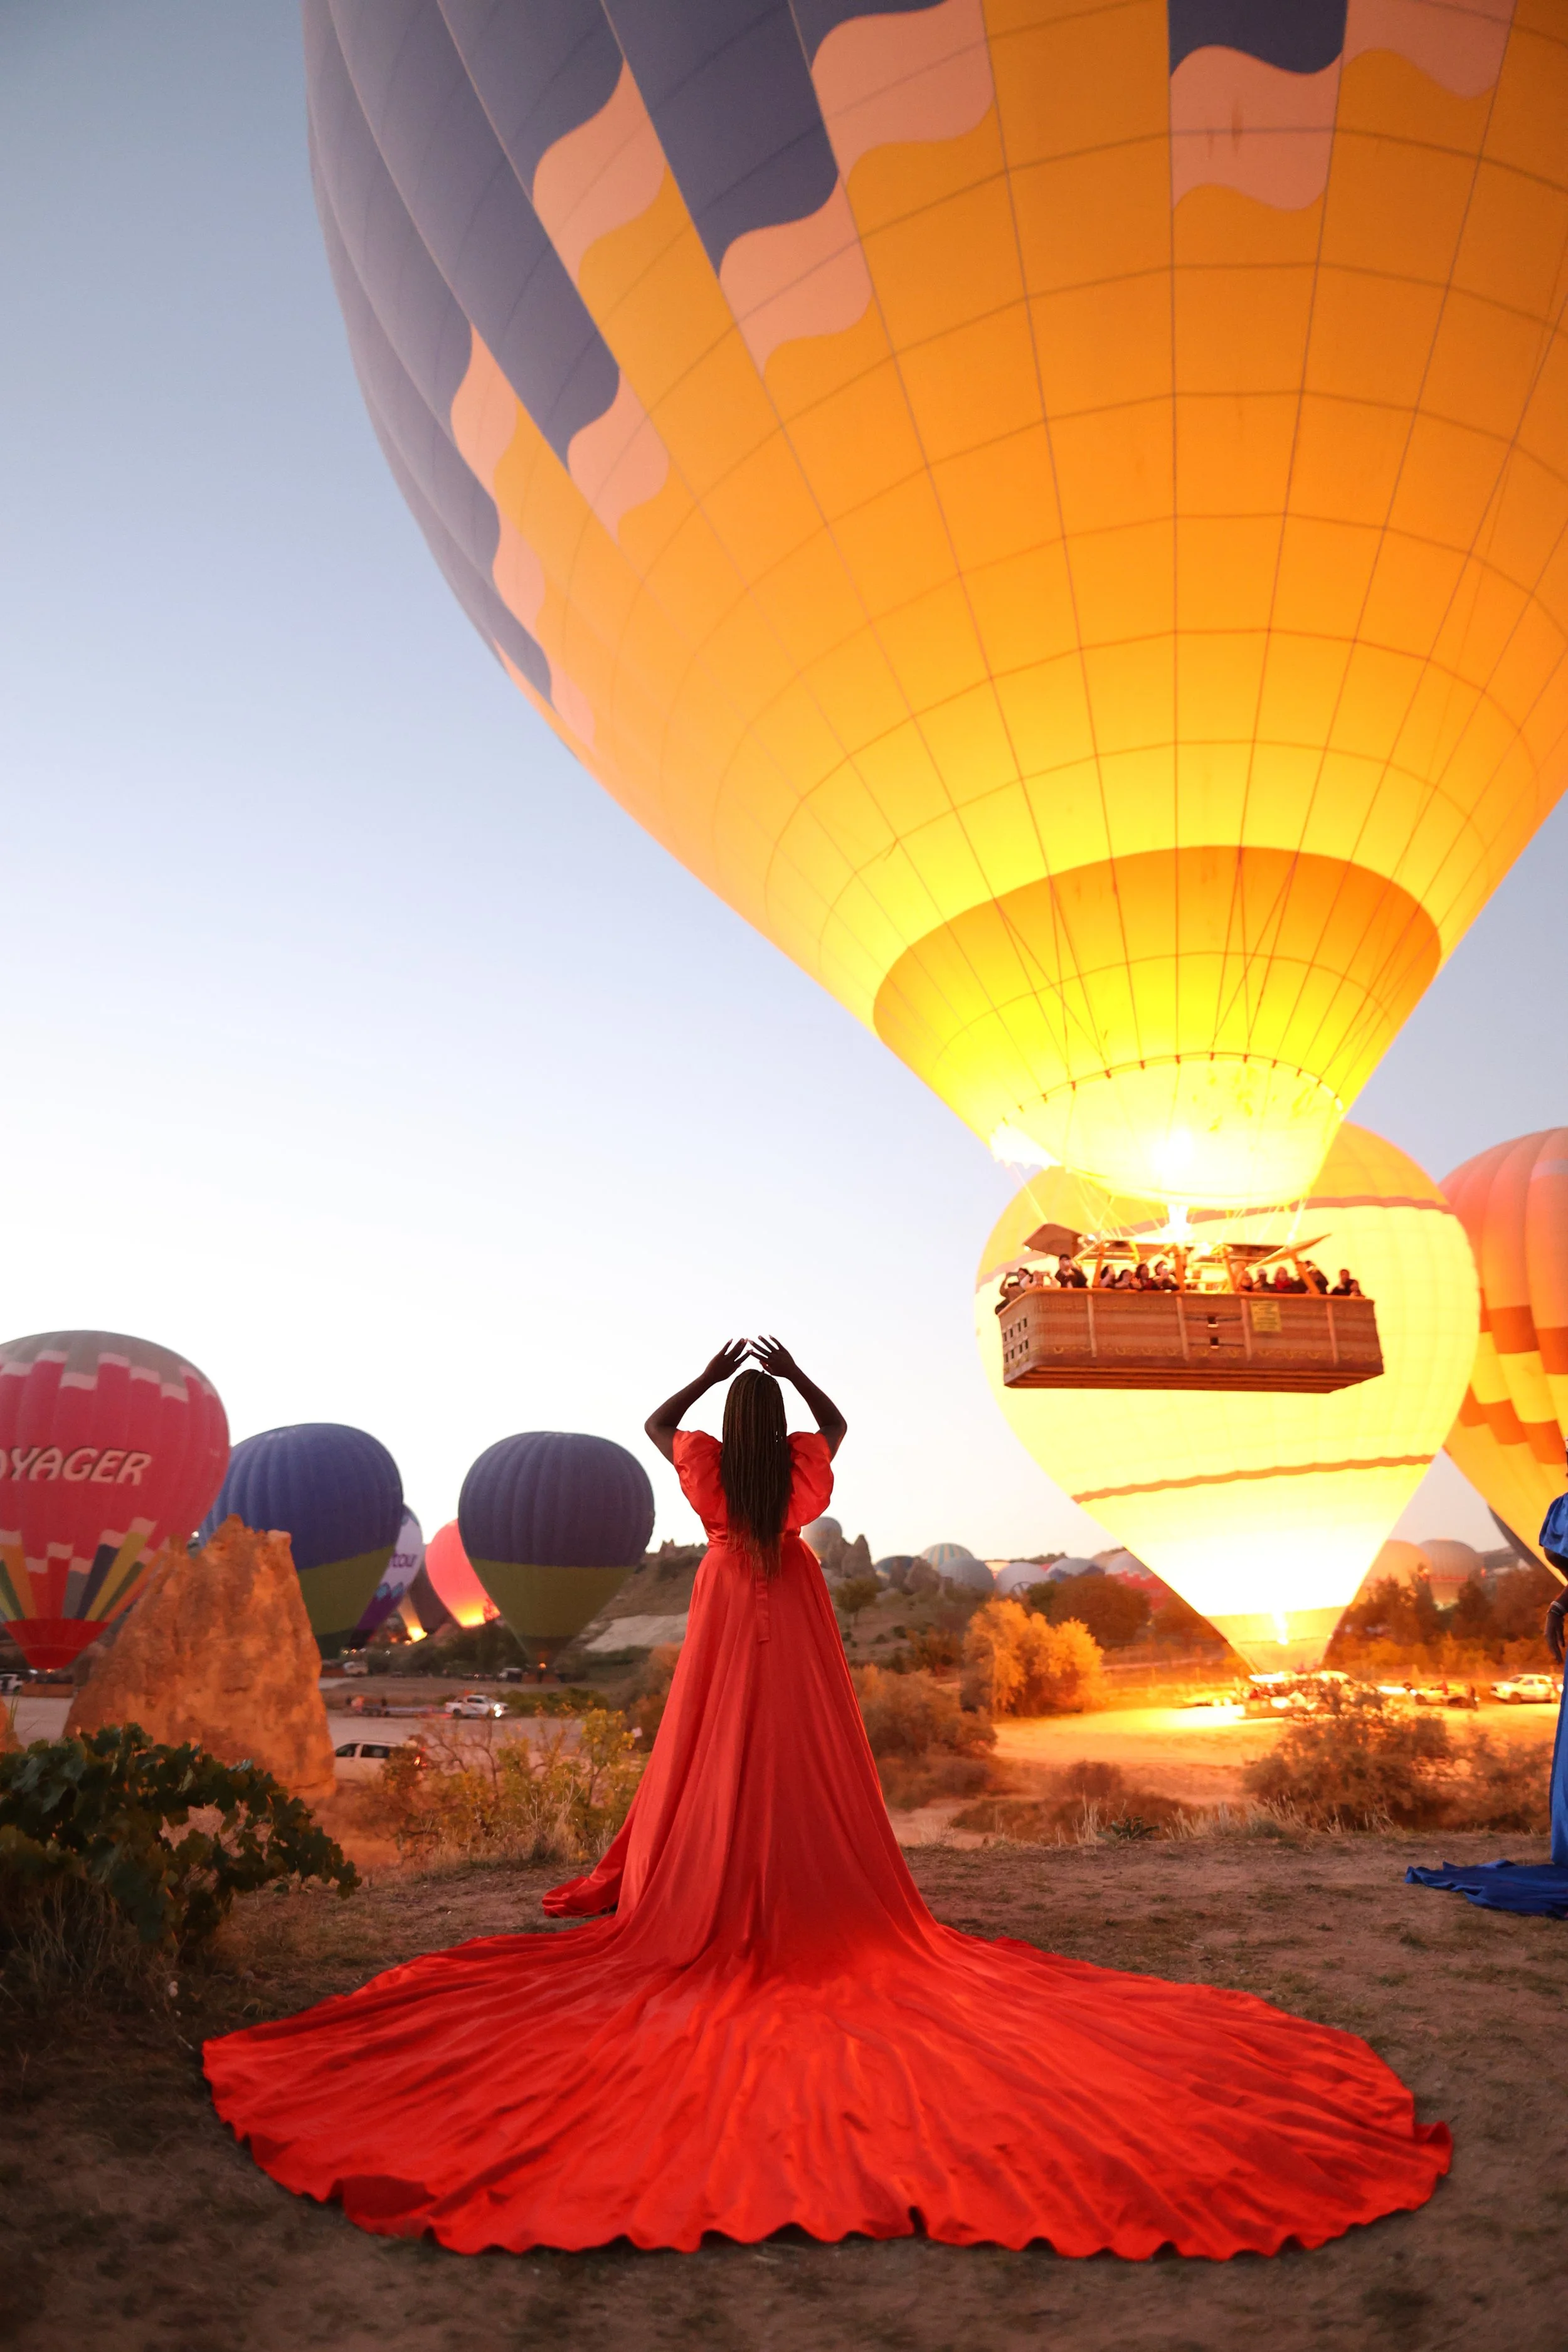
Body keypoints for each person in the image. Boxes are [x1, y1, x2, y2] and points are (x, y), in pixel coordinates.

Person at [203, 1340, 1449, 2259]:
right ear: (786, 1431)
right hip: (787, 1609)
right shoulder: (797, 1485)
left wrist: (708, 1378)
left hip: (726, 1604)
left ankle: (704, 1890)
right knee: (796, 1748)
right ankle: (800, 1889)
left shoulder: (704, 1483)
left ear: (713, 1436)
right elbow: (838, 1426)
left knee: (715, 1748)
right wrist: (792, 1377)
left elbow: (651, 1423)